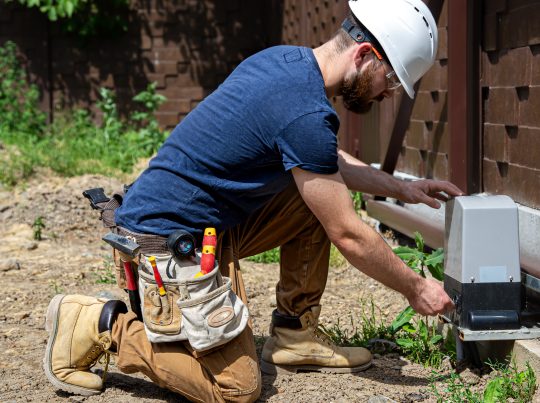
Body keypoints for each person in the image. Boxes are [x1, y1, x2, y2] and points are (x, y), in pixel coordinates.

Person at [43, 1, 462, 402]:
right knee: (236, 390)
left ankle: (294, 335)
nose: (387, 94)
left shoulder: (288, 63)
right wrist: (416, 287)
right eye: (390, 80)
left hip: (201, 226)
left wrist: (401, 188)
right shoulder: (304, 112)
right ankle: (100, 324)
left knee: (317, 197)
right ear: (365, 54)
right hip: (163, 244)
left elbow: (324, 163)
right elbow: (349, 235)